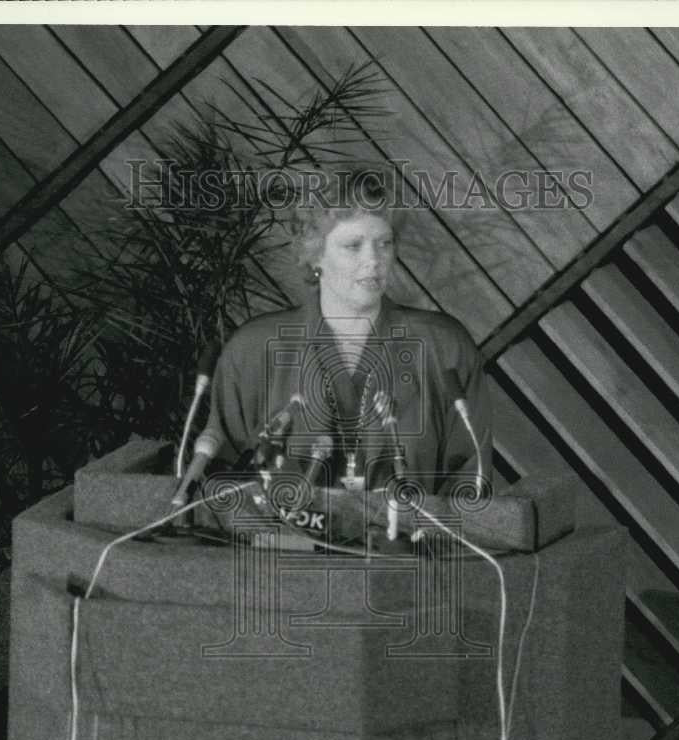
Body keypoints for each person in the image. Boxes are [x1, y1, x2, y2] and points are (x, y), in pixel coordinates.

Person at [193, 167, 493, 500]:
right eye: (353, 246)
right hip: (282, 547)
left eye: (384, 243)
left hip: (411, 547)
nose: (373, 261)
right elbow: (220, 481)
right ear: (315, 254)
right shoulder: (252, 350)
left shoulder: (445, 347)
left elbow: (470, 481)